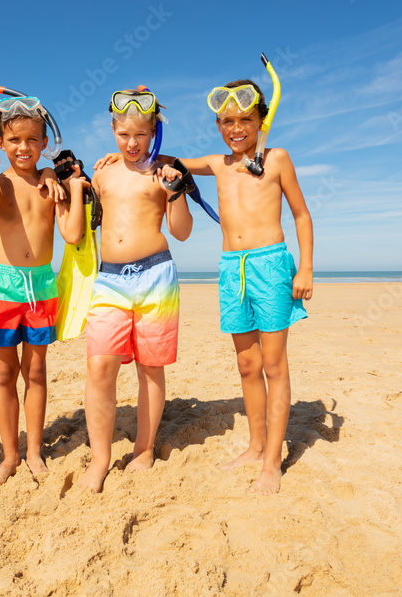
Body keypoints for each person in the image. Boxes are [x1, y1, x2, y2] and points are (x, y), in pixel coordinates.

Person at [95, 79, 313, 494]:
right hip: (233, 269)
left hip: (271, 265)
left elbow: (302, 215)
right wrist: (120, 155)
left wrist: (306, 269)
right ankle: (254, 446)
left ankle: (272, 463)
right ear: (218, 124)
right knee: (247, 365)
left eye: (245, 120)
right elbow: (159, 156)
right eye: (227, 121)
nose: (236, 128)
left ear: (260, 120)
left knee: (273, 365)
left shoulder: (277, 159)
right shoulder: (218, 163)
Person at [78, 88, 192, 493]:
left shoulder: (163, 171)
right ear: (112, 130)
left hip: (156, 276)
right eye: (124, 134)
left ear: (154, 132)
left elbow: (181, 232)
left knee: (150, 366)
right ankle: (100, 458)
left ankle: (144, 449)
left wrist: (174, 191)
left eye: (141, 134)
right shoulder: (103, 173)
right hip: (109, 279)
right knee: (100, 365)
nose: (132, 143)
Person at [0, 94, 86, 485]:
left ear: (43, 143)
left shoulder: (51, 187)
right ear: (1, 142)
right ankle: (9, 456)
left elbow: (71, 234)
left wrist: (71, 184)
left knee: (35, 372)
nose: (24, 148)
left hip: (40, 286)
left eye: (32, 140)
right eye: (14, 140)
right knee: (4, 375)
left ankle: (34, 451)